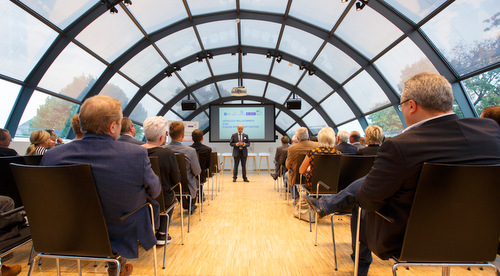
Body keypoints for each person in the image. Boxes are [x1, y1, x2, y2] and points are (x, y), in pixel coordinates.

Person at [305, 72, 500, 275]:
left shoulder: (400, 146)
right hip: (482, 238)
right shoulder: (490, 131)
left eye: (401, 106)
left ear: (412, 105)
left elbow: (369, 201)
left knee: (360, 207)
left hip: (410, 240)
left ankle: (359, 266)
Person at [42, 95, 161, 276]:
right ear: (113, 126)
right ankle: (118, 263)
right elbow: (155, 190)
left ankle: (117, 264)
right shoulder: (135, 154)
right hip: (119, 230)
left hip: (67, 233)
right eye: (120, 122)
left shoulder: (52, 156)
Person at [141, 116, 181, 245]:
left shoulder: (135, 151)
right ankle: (162, 233)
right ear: (161, 137)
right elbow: (176, 179)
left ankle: (143, 232)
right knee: (169, 195)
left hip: (138, 200)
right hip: (161, 199)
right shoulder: (167, 153)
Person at [164, 121, 202, 214]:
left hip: (167, 185)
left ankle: (184, 203)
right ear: (183, 135)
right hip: (186, 185)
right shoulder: (190, 151)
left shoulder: (163, 150)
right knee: (195, 181)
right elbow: (197, 171)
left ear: (169, 134)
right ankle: (190, 205)